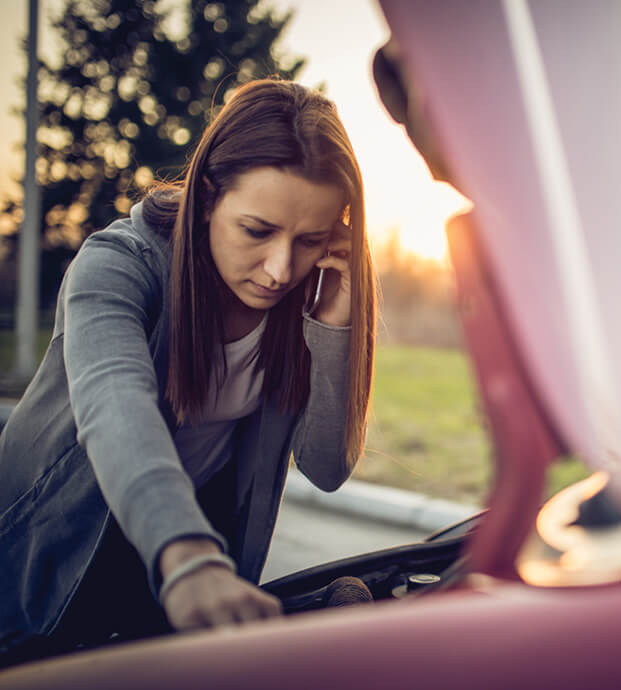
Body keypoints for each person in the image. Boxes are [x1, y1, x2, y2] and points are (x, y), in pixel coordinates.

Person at [0, 78, 377, 661]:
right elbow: (114, 407)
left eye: (310, 240)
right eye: (257, 230)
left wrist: (334, 326)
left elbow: (326, 467)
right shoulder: (117, 265)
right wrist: (188, 553)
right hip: (49, 567)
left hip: (172, 585)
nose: (280, 269)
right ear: (206, 197)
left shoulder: (303, 300)